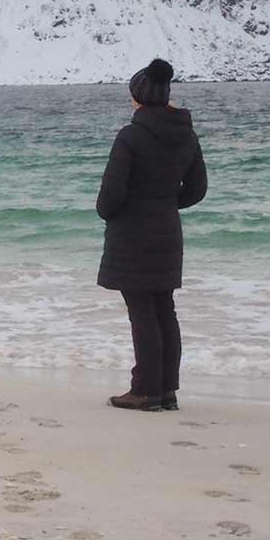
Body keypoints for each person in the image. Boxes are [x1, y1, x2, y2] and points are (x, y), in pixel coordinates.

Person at [95, 59, 208, 412]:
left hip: (133, 235)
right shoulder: (186, 134)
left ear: (139, 98)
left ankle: (145, 391)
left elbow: (109, 198)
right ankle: (166, 390)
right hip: (167, 231)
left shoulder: (131, 136)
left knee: (142, 312)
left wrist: (115, 211)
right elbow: (197, 188)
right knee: (164, 309)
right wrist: (164, 203)